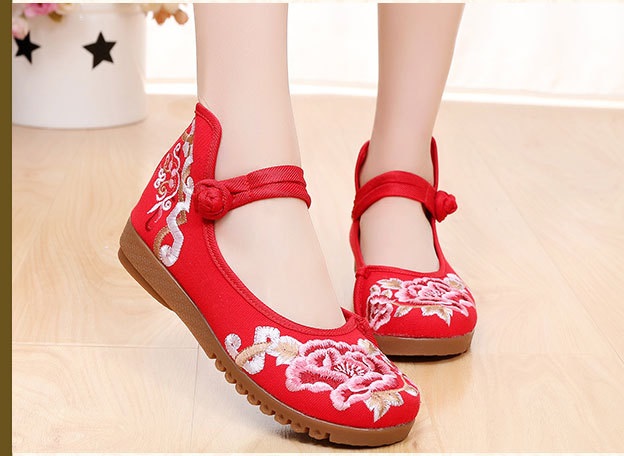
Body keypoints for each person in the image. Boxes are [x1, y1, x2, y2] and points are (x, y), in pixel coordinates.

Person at [118, 4, 476, 447]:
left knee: (404, 142)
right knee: (246, 125)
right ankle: (246, 168)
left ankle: (401, 164)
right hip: (227, 192)